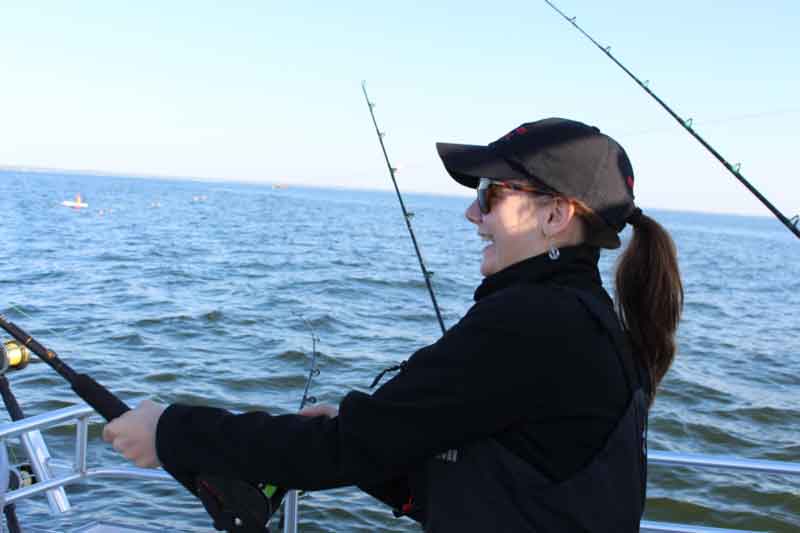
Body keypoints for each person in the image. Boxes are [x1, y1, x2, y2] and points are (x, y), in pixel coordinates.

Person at [103, 117, 683, 532]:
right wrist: (370, 438)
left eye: (491, 194)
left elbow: (344, 450)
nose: (472, 212)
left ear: (556, 215)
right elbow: (510, 475)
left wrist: (171, 432)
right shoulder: (590, 320)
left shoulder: (536, 323)